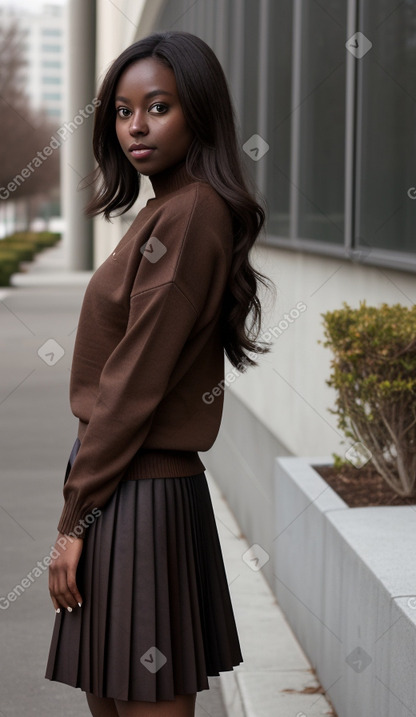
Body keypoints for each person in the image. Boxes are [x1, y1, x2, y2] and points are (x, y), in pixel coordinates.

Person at [45, 30, 273, 717]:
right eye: (121, 111)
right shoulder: (164, 209)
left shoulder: (193, 212)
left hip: (141, 499)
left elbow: (134, 382)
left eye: (158, 107)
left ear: (198, 113)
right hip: (119, 489)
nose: (135, 126)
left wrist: (74, 520)